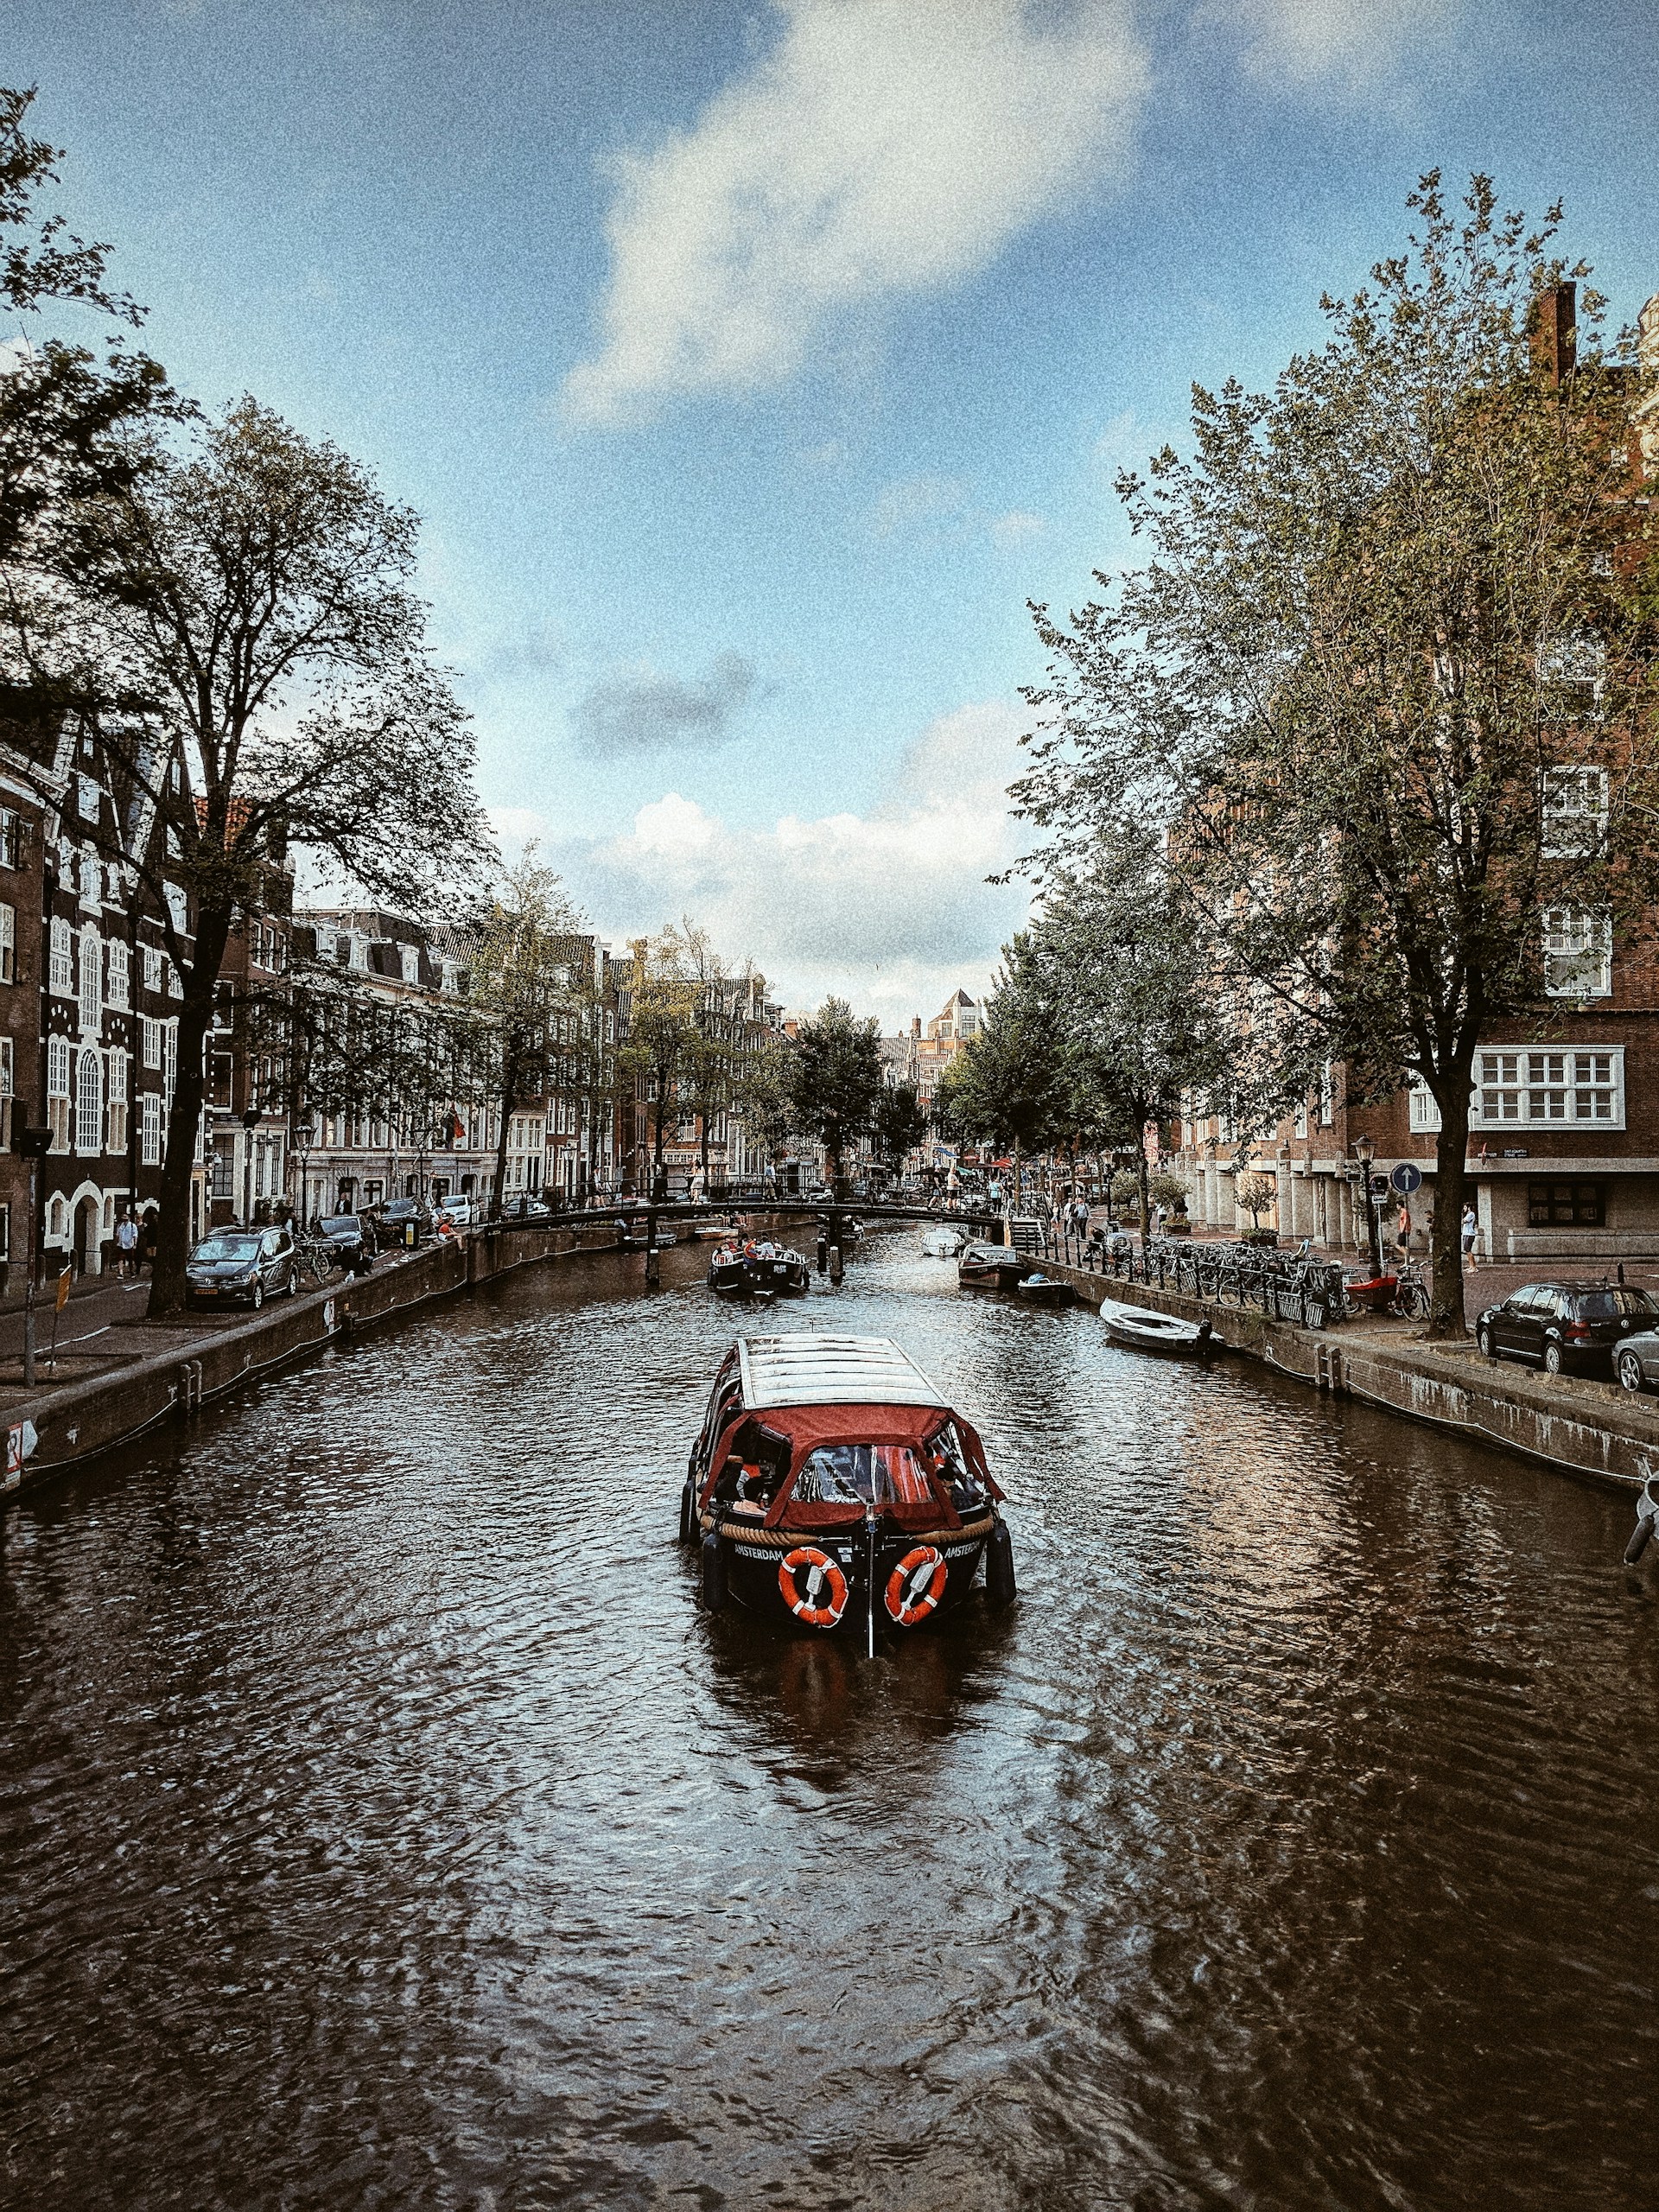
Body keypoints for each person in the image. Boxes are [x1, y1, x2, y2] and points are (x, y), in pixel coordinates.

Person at [115, 1208, 138, 1280]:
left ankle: (132, 1272)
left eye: (125, 1217)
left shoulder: (132, 1226)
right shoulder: (120, 1226)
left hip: (129, 1245)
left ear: (128, 1218)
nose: (124, 1218)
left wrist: (135, 1244)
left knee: (130, 1260)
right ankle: (121, 1273)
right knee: (120, 1259)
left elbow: (135, 1235)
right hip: (121, 1245)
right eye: (123, 1217)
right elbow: (117, 1235)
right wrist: (116, 1242)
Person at [1461, 1203, 1478, 1272]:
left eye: (1465, 1207)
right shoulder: (1468, 1215)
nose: (1464, 1209)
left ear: (1468, 1208)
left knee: (1468, 1251)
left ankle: (1473, 1267)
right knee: (1467, 1250)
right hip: (1466, 1233)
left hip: (1469, 1234)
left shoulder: (1471, 1214)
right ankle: (1471, 1266)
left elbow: (1464, 1221)